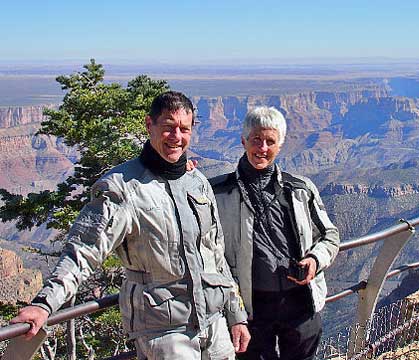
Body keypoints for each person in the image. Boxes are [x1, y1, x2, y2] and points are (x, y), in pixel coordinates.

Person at [10, 91, 250, 360]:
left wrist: (236, 314)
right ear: (150, 125)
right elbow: (83, 252)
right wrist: (44, 303)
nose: (177, 137)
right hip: (164, 331)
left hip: (214, 325)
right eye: (168, 127)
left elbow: (216, 255)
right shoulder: (122, 188)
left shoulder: (198, 184)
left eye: (184, 129)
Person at [210, 106, 340, 360]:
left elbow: (330, 236)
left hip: (301, 304)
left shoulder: (300, 190)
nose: (262, 148)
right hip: (251, 309)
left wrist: (315, 260)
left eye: (270, 141)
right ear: (243, 140)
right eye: (256, 140)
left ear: (280, 145)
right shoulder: (218, 193)